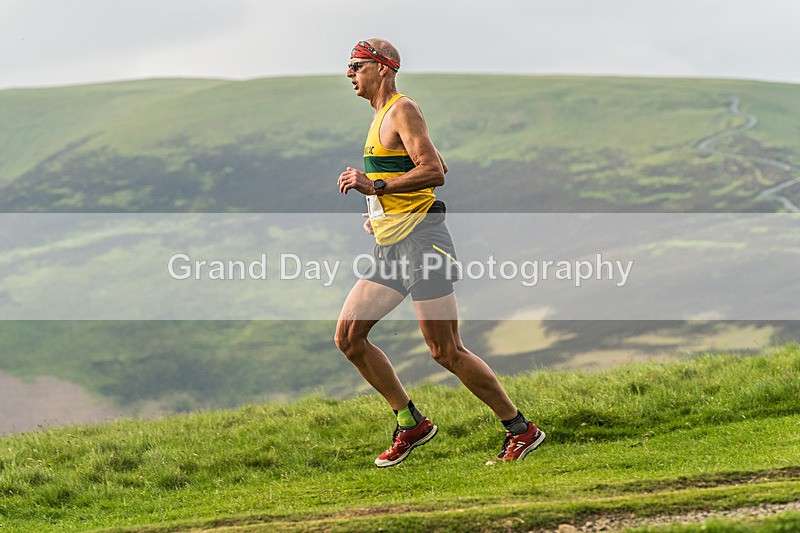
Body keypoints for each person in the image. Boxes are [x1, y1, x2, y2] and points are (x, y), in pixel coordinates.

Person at [335, 38, 545, 467]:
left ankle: (521, 430)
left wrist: (373, 186)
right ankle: (410, 422)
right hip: (392, 244)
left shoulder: (401, 109)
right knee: (349, 338)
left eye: (356, 65)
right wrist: (382, 211)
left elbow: (432, 173)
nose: (349, 74)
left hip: (424, 241)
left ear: (383, 67)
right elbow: (436, 164)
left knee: (445, 350)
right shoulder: (381, 116)